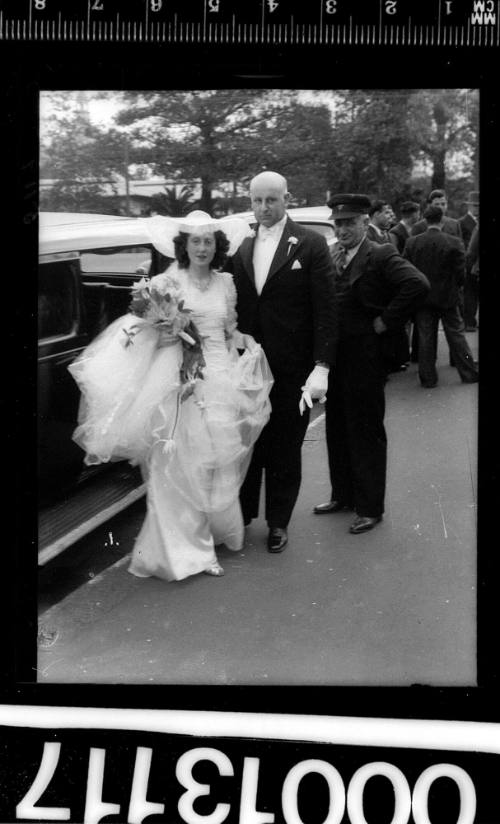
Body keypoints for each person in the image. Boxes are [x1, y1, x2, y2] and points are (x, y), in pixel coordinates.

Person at [69, 211, 273, 581]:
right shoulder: (167, 282)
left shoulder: (226, 283)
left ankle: (212, 535)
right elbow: (148, 333)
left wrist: (246, 340)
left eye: (208, 241)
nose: (202, 247)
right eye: (194, 241)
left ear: (217, 246)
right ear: (183, 246)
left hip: (222, 376)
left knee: (217, 461)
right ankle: (187, 552)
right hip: (182, 382)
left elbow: (228, 330)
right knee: (181, 465)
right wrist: (167, 335)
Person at [229, 171, 337, 553]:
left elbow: (326, 309)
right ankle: (239, 519)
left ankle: (278, 522)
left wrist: (322, 365)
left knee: (285, 446)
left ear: (286, 198)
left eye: (271, 200)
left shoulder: (309, 245)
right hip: (247, 366)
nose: (263, 208)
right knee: (246, 442)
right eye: (257, 201)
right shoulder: (240, 243)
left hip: (293, 369)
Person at [313, 194, 429, 534]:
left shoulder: (381, 253)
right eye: (339, 223)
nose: (344, 228)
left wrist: (386, 321)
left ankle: (369, 507)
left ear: (366, 222)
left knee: (365, 431)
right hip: (337, 357)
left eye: (350, 222)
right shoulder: (333, 252)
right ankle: (343, 495)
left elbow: (417, 284)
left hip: (366, 356)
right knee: (337, 427)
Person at [404, 205, 479, 388]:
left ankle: (427, 378)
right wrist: (456, 287)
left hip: (424, 298)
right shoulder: (454, 242)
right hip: (448, 297)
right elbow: (460, 273)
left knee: (426, 339)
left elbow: (406, 269)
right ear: (442, 219)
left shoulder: (413, 242)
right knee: (457, 337)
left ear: (424, 219)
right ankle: (469, 371)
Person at [459, 191, 480, 331]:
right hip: (469, 262)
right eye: (475, 206)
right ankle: (469, 321)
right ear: (469, 207)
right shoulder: (461, 222)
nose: (477, 208)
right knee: (470, 293)